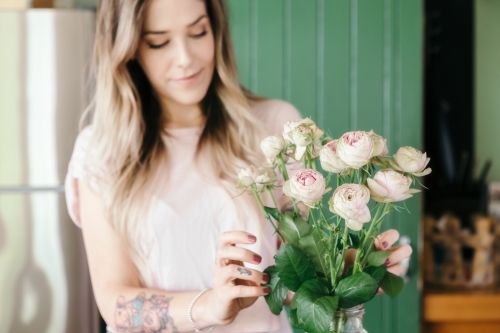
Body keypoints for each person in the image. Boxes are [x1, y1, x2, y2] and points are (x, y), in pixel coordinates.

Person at [65, 0, 412, 332]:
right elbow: (116, 303)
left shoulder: (276, 128)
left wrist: (355, 270)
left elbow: (293, 282)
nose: (185, 58)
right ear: (127, 50)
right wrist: (212, 306)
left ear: (217, 30)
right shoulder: (100, 151)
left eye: (198, 33)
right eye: (159, 43)